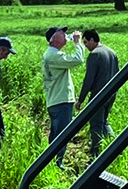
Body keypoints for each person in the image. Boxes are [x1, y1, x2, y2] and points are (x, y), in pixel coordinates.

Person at [42, 26, 86, 168]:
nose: (65, 35)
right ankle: (57, 163)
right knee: (62, 135)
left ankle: (50, 162)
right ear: (54, 39)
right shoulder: (53, 56)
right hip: (61, 100)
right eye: (62, 33)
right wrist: (77, 43)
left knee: (56, 133)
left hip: (56, 100)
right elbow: (77, 60)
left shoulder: (51, 54)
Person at [76, 29, 119, 157]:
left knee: (96, 124)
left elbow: (88, 80)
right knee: (104, 122)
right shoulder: (111, 52)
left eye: (85, 43)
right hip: (112, 94)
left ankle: (95, 153)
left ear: (92, 40)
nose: (85, 46)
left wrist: (81, 99)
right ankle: (115, 148)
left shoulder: (94, 54)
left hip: (98, 95)